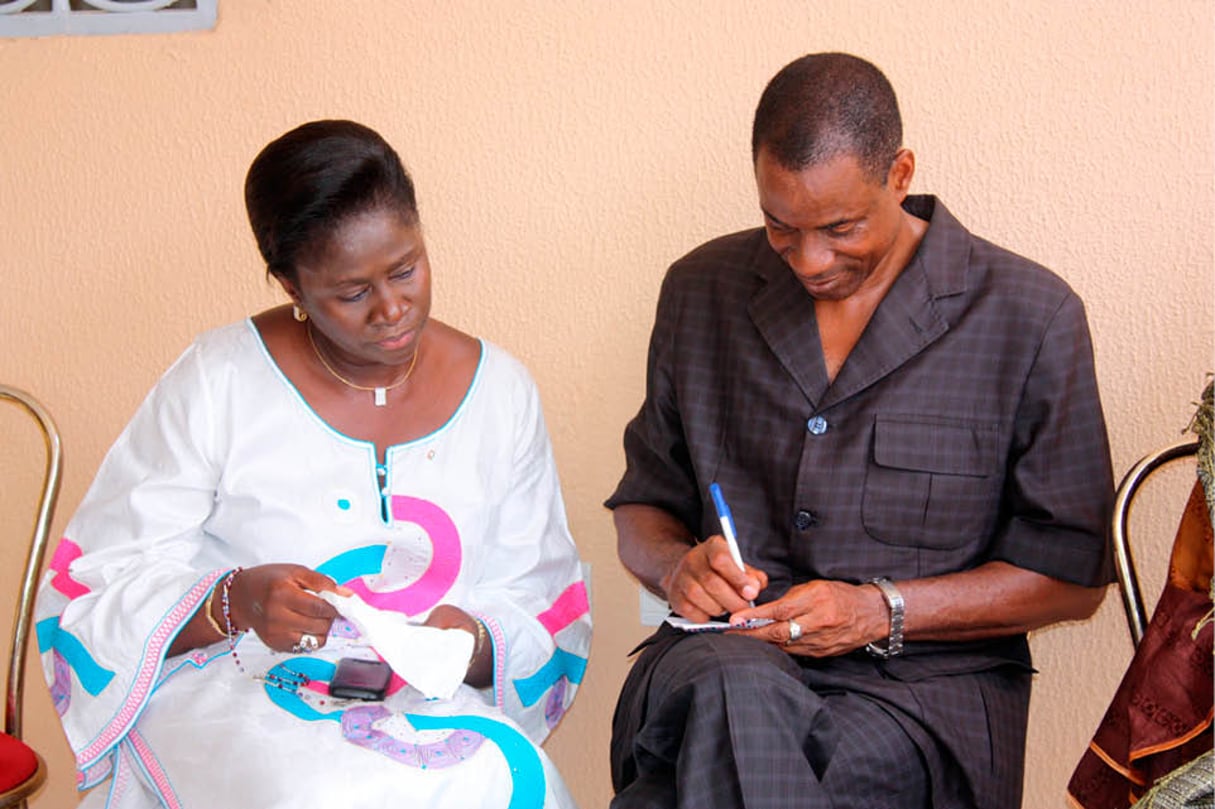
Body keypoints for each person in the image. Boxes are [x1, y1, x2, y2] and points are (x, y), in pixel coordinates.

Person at [606, 53, 1114, 809]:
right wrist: (677, 565)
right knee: (735, 694)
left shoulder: (1027, 318)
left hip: (920, 697)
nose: (810, 260)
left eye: (840, 228)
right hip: (719, 663)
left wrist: (882, 608)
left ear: (899, 173)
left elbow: (1072, 573)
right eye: (780, 226)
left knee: (672, 792)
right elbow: (644, 508)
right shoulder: (698, 290)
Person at [35, 120, 591, 808]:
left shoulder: (501, 391)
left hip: (422, 696)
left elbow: (539, 593)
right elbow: (98, 587)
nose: (392, 309)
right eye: (351, 293)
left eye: (405, 268)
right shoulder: (220, 379)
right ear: (291, 287)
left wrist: (472, 640)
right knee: (319, 791)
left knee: (506, 777)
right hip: (231, 682)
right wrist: (232, 600)